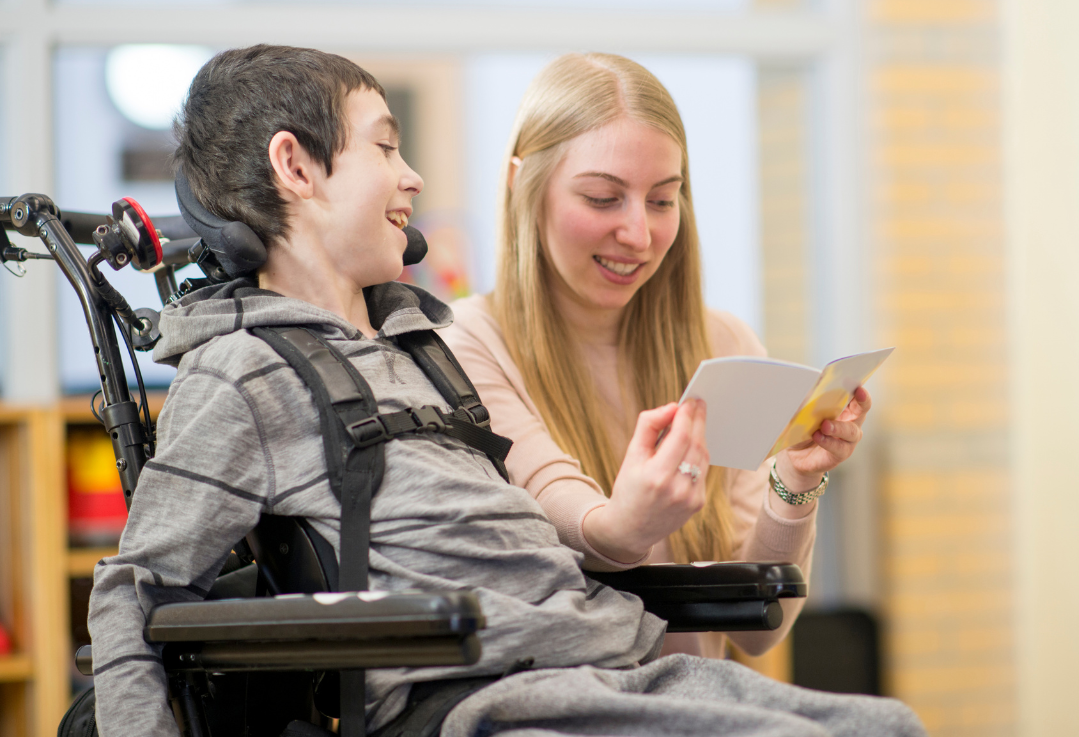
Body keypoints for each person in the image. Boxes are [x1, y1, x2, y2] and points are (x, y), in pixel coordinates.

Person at [87, 45, 923, 736]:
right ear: (295, 166)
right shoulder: (247, 371)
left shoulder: (421, 344)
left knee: (890, 728)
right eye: (386, 148)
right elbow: (138, 590)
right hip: (495, 687)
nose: (413, 177)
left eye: (663, 200)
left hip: (609, 658)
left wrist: (792, 481)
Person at [442, 52, 872, 660]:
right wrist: (626, 525)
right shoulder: (465, 343)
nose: (639, 235)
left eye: (663, 200)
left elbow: (757, 629)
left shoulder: (724, 346)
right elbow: (557, 493)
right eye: (601, 198)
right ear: (522, 183)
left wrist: (795, 479)